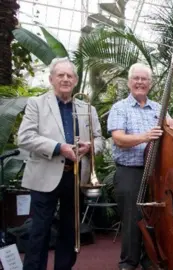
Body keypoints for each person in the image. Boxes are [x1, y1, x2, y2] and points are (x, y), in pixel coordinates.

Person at [18, 57, 104, 270]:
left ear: (75, 80)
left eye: (69, 76)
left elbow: (100, 140)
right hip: (44, 174)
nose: (65, 79)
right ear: (51, 79)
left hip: (75, 176)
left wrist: (89, 147)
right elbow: (25, 137)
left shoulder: (88, 108)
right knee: (40, 230)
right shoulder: (36, 103)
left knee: (70, 230)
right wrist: (60, 148)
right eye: (60, 75)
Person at [107, 63, 173, 270]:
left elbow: (171, 131)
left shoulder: (158, 108)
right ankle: (128, 262)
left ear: (150, 83)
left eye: (144, 79)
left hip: (157, 174)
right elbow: (119, 139)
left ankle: (151, 259)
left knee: (156, 217)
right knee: (132, 219)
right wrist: (145, 137)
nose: (140, 82)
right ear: (129, 82)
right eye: (136, 78)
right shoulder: (120, 108)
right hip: (130, 171)